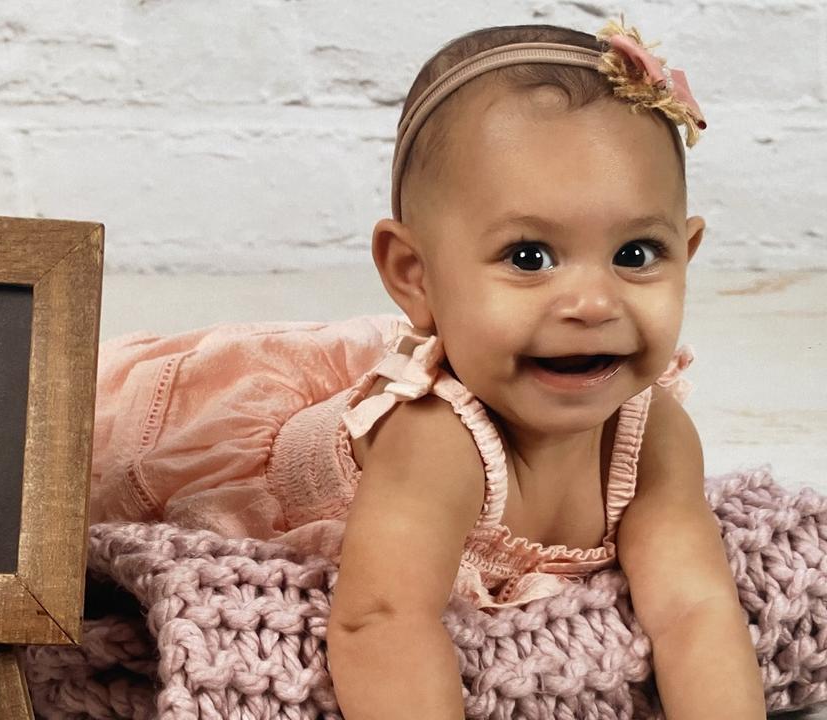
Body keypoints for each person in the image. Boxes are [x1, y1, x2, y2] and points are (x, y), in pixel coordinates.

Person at [87, 17, 765, 718]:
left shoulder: (654, 432)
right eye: (529, 257)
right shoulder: (440, 441)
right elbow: (380, 624)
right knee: (78, 464)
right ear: (415, 275)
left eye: (635, 255)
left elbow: (693, 607)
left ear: (687, 252)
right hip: (272, 493)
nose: (594, 303)